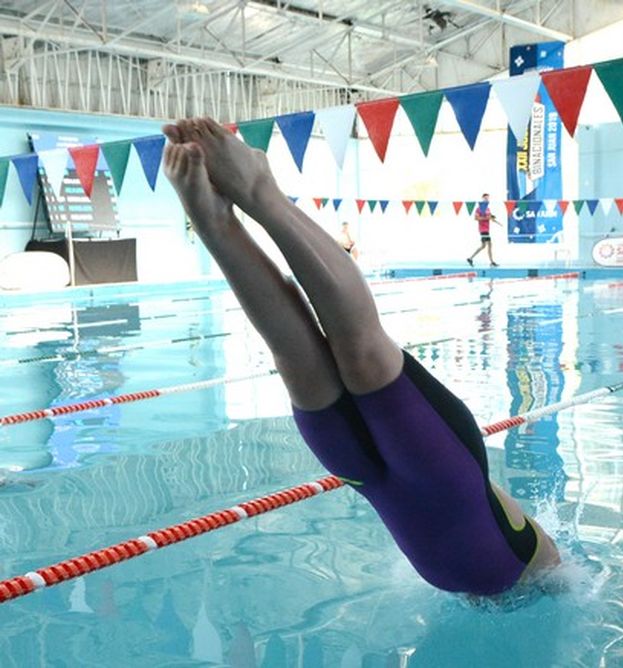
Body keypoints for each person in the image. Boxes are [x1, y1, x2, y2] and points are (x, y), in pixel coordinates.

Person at [161, 117, 560, 597]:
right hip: (422, 483)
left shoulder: (548, 566)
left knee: (337, 356)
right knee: (335, 357)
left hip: (409, 482)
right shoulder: (553, 579)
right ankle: (249, 199)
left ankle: (214, 218)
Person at [466, 193, 500, 267]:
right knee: (489, 244)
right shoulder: (479, 209)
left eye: (488, 198)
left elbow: (490, 217)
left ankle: (470, 258)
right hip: (483, 229)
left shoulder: (488, 209)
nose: (487, 200)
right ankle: (491, 262)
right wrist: (486, 218)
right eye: (485, 199)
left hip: (487, 229)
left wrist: (492, 218)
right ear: (482, 199)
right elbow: (476, 218)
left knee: (483, 246)